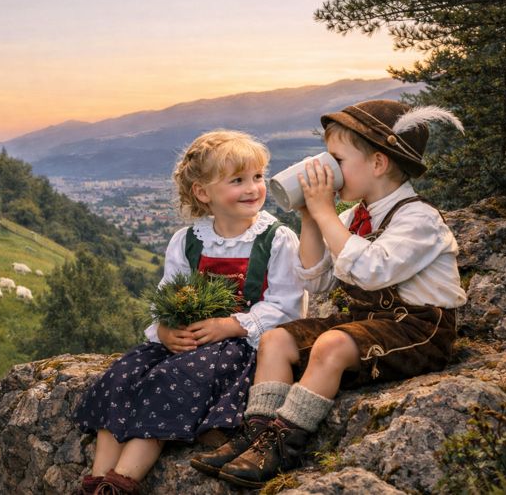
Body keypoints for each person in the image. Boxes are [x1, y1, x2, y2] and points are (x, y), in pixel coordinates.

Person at [190, 100, 468, 489]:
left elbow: (372, 271)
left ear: (377, 163)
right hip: (370, 324)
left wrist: (324, 215)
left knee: (332, 344)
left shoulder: (418, 217)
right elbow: (316, 279)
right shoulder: (354, 216)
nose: (329, 169)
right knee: (276, 339)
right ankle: (254, 434)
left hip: (420, 329)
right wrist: (309, 216)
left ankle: (282, 444)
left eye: (337, 159)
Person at [72, 130, 307, 494]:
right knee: (122, 376)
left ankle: (121, 482)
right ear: (202, 192)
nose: (253, 188)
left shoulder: (275, 239)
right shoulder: (187, 240)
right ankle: (98, 480)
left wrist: (230, 325)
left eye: (258, 177)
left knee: (169, 382)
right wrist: (165, 331)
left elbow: (287, 306)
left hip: (238, 346)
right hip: (189, 339)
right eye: (237, 180)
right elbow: (167, 295)